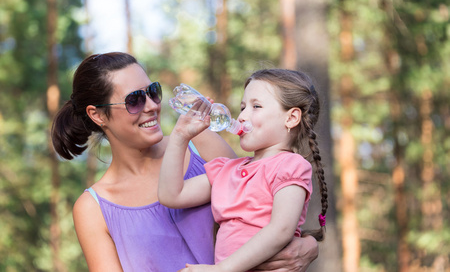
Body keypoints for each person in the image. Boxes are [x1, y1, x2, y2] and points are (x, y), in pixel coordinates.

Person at [51, 52, 319, 272]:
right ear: (98, 115)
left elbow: (263, 205)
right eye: (134, 100)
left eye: (153, 91)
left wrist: (309, 245)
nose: (152, 105)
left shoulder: (202, 144)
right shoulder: (92, 208)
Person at [159, 68, 328, 272]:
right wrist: (179, 136)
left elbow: (281, 230)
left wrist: (221, 269)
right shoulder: (226, 170)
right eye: (242, 107)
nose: (242, 116)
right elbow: (171, 195)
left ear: (291, 118)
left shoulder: (291, 166)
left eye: (256, 106)